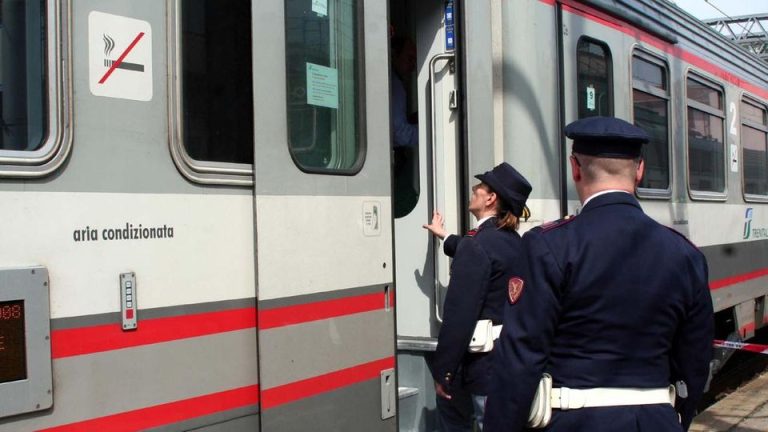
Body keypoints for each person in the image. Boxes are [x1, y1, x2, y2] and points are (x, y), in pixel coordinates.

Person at [485, 117, 714, 432]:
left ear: (575, 168)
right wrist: (674, 418)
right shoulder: (686, 255)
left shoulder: (549, 246)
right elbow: (695, 360)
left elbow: (520, 358)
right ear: (640, 170)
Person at [424, 162, 532, 431]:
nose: (474, 189)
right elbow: (473, 252)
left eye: (480, 187)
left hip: (482, 368)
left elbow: (458, 317)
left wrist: (443, 371)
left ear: (491, 198)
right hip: (509, 361)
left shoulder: (478, 245)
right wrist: (445, 236)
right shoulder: (514, 242)